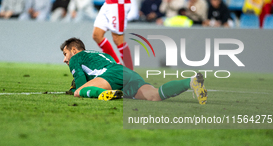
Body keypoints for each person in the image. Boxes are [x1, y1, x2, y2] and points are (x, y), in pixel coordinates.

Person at [60, 37, 207, 104]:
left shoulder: (76, 58)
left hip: (111, 74)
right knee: (155, 95)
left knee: (79, 93)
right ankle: (191, 81)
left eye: (65, 54)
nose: (65, 60)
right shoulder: (101, 54)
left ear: (74, 50)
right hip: (125, 72)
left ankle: (106, 94)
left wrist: (73, 90)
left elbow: (80, 86)